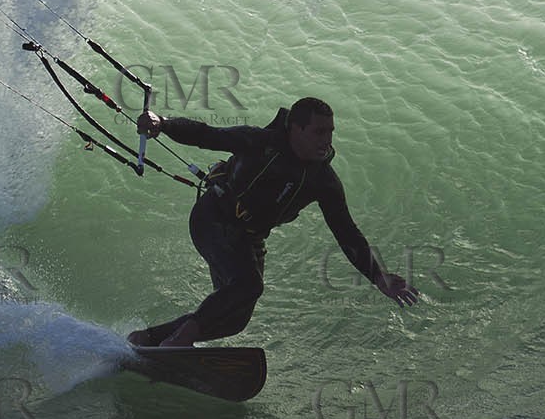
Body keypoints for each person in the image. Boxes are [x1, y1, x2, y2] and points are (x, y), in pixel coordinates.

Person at [127, 96, 420, 348]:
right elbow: (208, 135)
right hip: (213, 218)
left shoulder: (323, 181)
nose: (327, 140)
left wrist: (378, 276)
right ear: (296, 129)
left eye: (330, 132)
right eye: (319, 132)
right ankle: (178, 343)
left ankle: (148, 339)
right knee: (248, 284)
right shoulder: (261, 143)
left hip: (248, 237)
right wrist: (163, 124)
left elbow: (347, 233)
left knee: (235, 319)